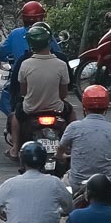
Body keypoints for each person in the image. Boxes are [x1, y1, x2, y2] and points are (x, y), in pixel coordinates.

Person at [9, 23, 71, 154]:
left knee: (15, 116)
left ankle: (15, 148)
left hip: (30, 109)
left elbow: (23, 92)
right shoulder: (61, 64)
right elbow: (63, 94)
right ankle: (72, 145)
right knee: (72, 112)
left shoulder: (25, 64)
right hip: (56, 108)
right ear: (49, 41)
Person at [57, 83, 111, 192]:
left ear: (84, 107)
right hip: (107, 184)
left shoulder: (74, 127)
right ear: (106, 107)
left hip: (77, 183)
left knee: (62, 191)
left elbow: (60, 149)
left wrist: (60, 156)